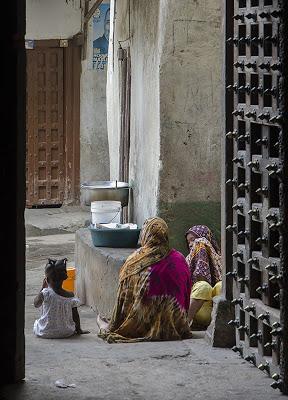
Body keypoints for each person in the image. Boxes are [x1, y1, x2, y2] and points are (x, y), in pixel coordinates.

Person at [97, 217, 192, 342]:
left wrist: (115, 323)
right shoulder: (180, 259)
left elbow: (125, 298)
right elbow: (186, 292)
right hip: (177, 325)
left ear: (145, 234)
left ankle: (111, 325)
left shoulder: (134, 261)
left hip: (142, 324)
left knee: (105, 323)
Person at [33, 258, 89, 338]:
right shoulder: (70, 296)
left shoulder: (46, 293)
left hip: (46, 331)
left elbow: (36, 304)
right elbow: (75, 315)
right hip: (66, 332)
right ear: (63, 279)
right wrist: (79, 330)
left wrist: (42, 288)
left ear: (47, 280)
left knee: (36, 324)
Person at [185, 225, 222, 330]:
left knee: (221, 285)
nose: (192, 244)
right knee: (203, 286)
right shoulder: (187, 261)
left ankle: (220, 325)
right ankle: (185, 323)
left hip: (214, 314)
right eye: (189, 242)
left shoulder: (219, 259)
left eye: (193, 240)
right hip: (198, 313)